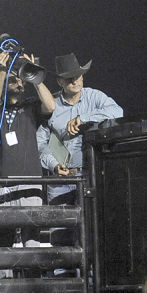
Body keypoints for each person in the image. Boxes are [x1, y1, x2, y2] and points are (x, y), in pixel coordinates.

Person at [36, 53, 122, 267]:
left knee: (92, 232)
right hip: (61, 179)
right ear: (60, 82)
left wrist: (83, 118)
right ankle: (64, 284)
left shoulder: (94, 97)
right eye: (69, 78)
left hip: (89, 175)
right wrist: (53, 164)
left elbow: (117, 111)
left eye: (78, 76)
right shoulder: (51, 105)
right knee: (61, 236)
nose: (75, 81)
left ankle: (90, 281)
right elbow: (40, 143)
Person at [0, 49, 55, 285]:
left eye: (20, 81)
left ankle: (32, 291)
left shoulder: (31, 107)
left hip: (30, 181)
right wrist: (1, 71)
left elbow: (51, 106)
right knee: (2, 240)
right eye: (13, 81)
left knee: (31, 239)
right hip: (1, 182)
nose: (19, 85)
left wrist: (34, 76)